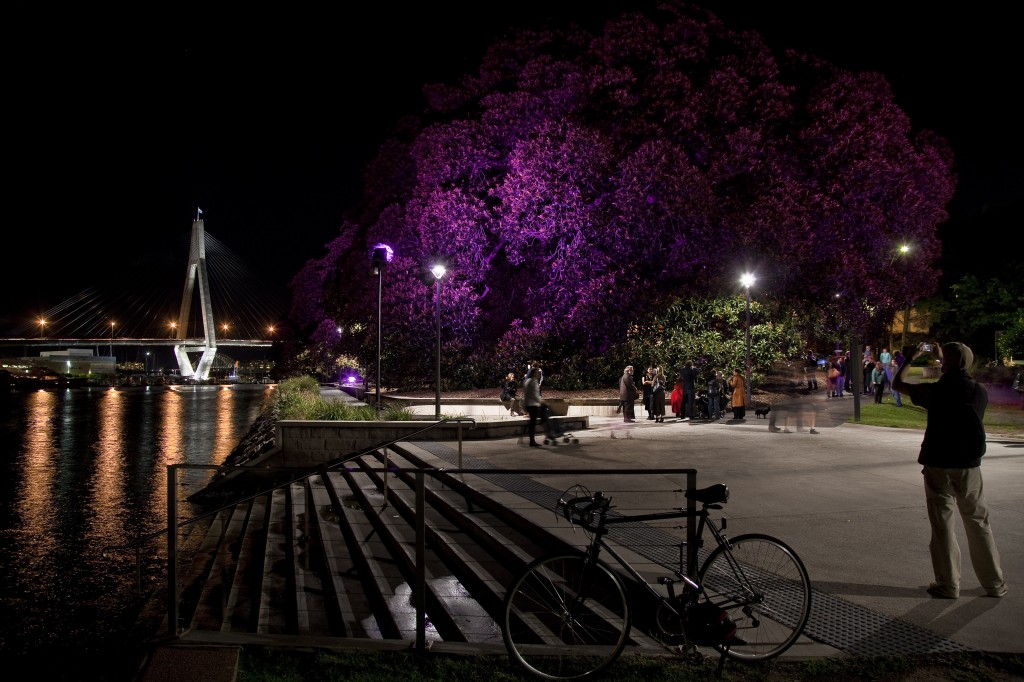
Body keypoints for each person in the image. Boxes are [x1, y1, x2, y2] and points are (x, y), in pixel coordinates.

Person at [892, 342, 1008, 599]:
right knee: (979, 523)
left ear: (947, 362)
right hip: (968, 466)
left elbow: (898, 384)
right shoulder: (979, 391)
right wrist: (944, 361)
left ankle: (948, 583)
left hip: (938, 463)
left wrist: (912, 358)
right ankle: (994, 584)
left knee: (943, 524)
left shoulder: (938, 391)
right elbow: (956, 374)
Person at [523, 367, 544, 447]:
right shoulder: (534, 382)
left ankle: (532, 440)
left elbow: (526, 393)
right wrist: (541, 402)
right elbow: (535, 395)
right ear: (534, 374)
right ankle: (532, 441)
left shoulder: (527, 381)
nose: (539, 375)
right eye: (537, 373)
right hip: (533, 405)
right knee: (533, 423)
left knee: (532, 422)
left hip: (528, 404)